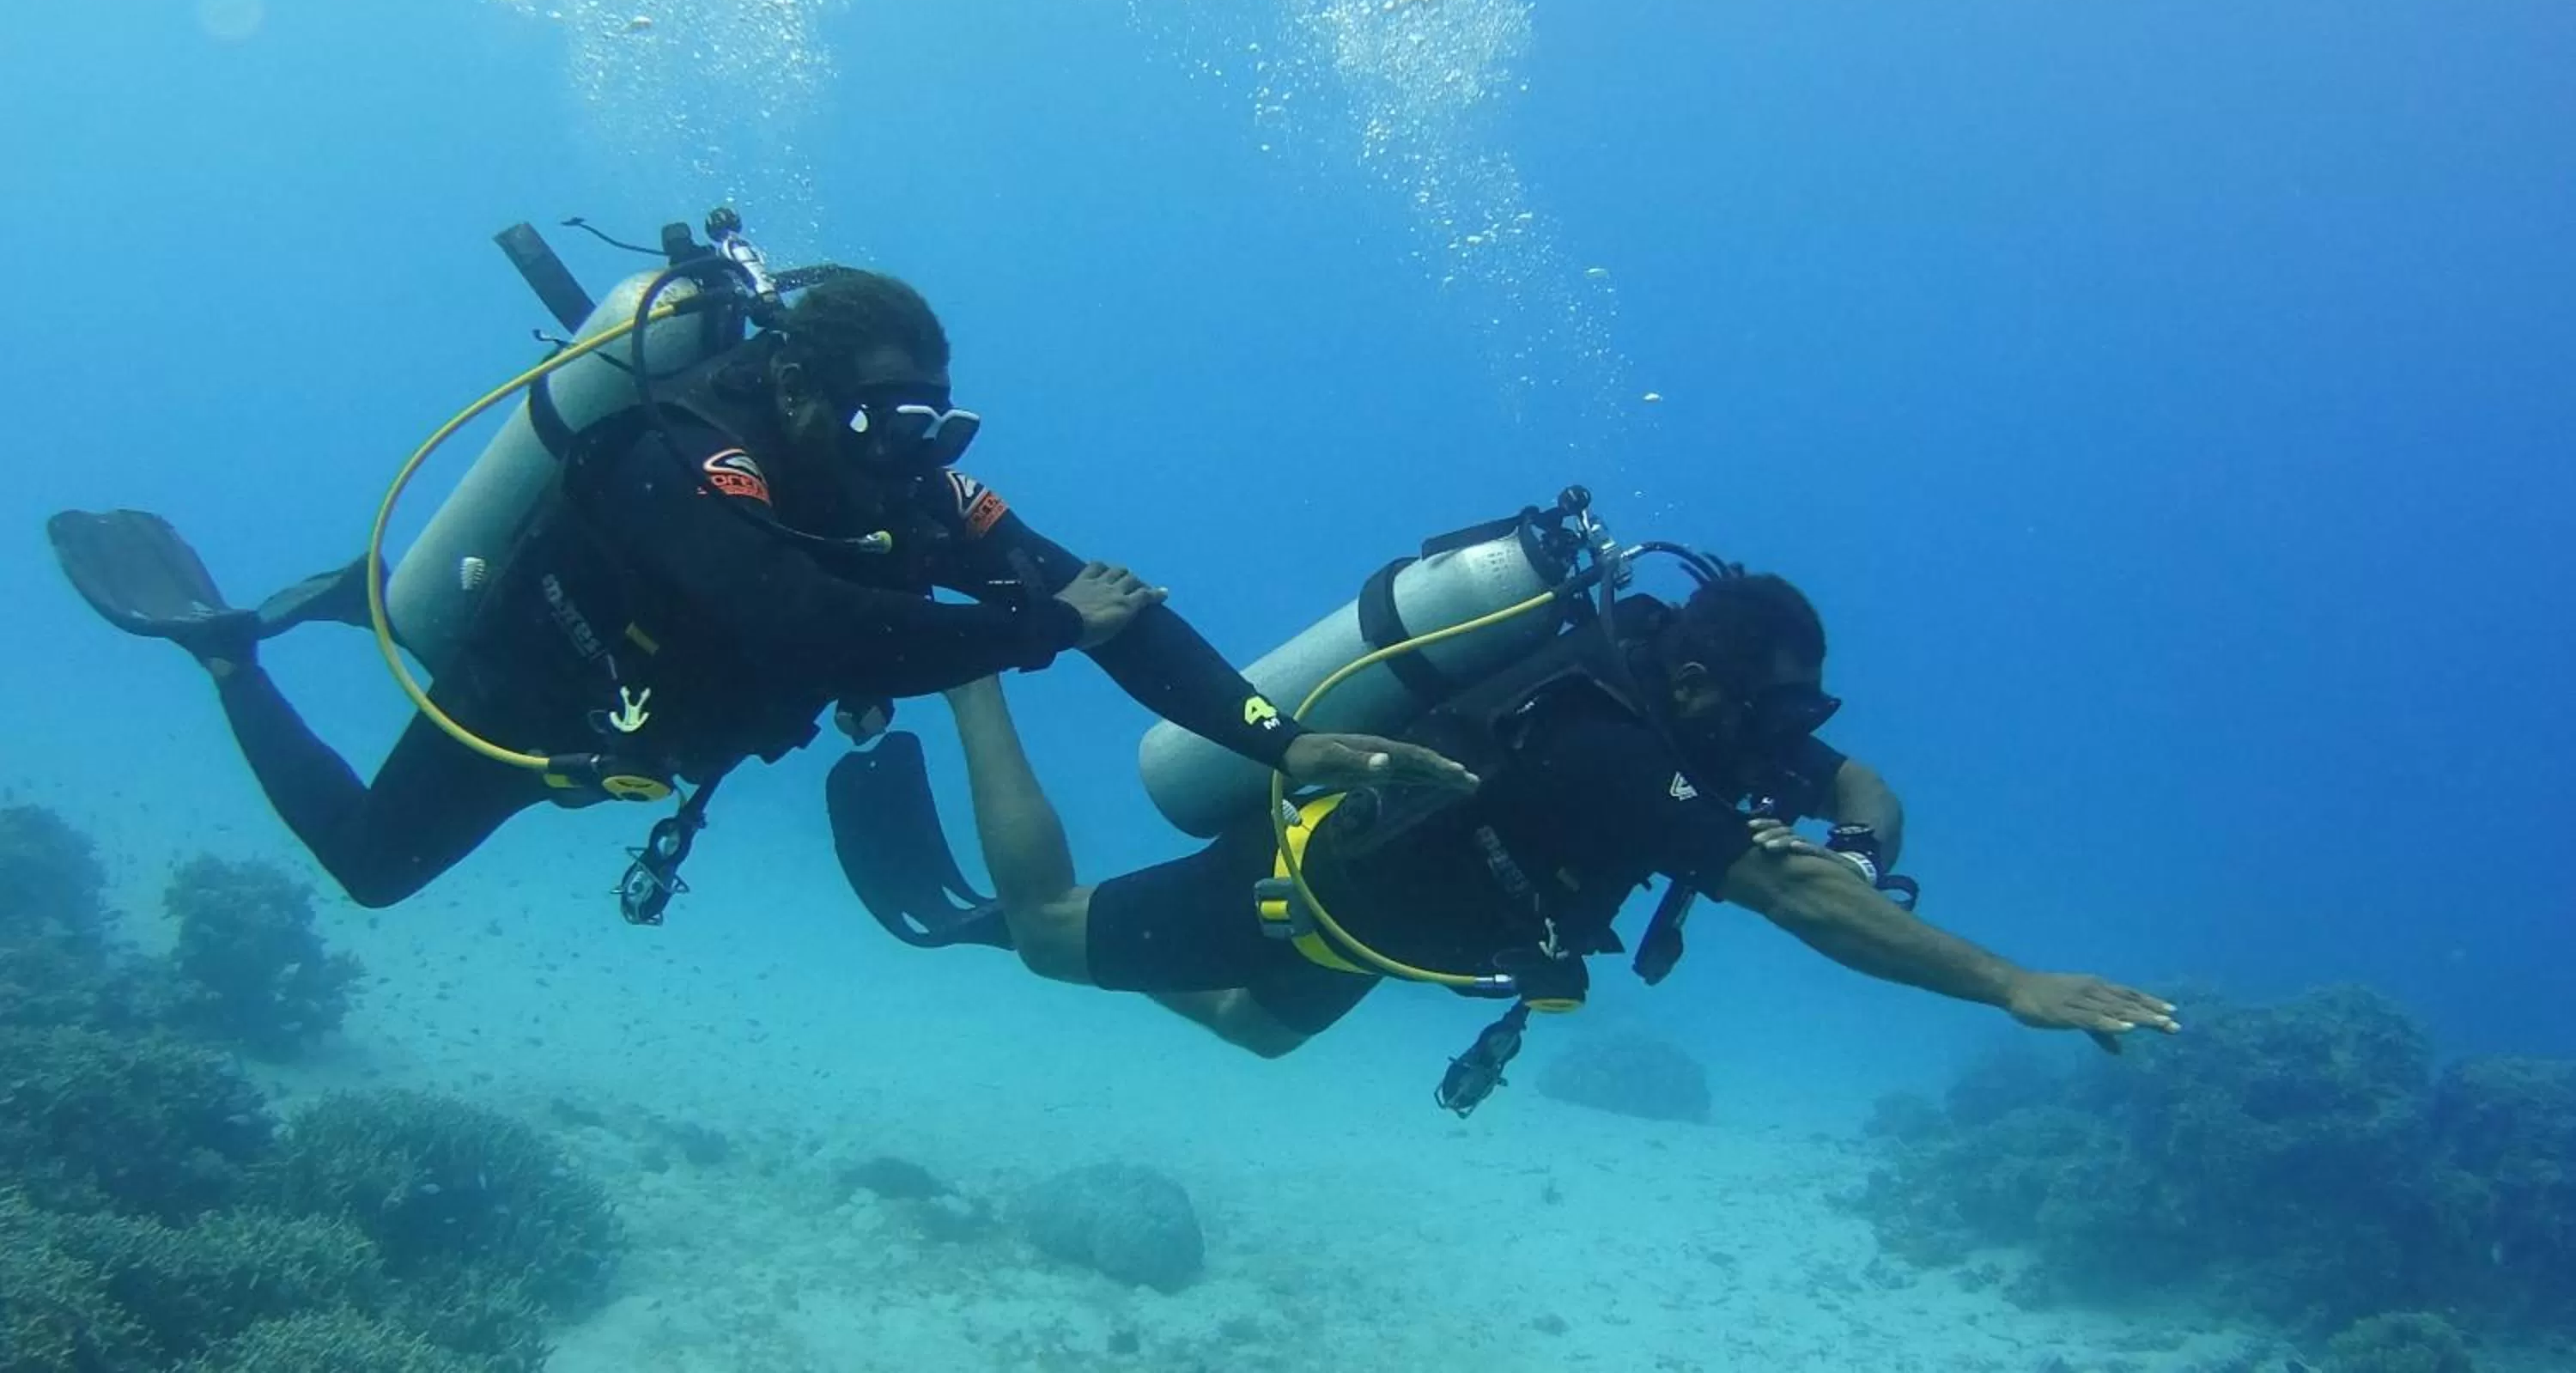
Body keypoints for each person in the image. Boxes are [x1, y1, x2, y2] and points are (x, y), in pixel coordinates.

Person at [48, 268, 1465, 913]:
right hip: (534, 682)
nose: (908, 450)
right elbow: (802, 622)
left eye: (932, 422)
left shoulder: (901, 478)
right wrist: (1039, 625)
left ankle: (325, 600)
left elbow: (1110, 603)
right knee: (370, 868)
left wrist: (1281, 740)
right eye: (882, 417)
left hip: (654, 729)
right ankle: (236, 654)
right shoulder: (680, 451)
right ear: (789, 382)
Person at [920, 562, 2178, 1080]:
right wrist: (2010, 982)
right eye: (1770, 716)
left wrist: (1855, 845)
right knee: (1041, 932)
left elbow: (1866, 794)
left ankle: (1149, 940)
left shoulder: (1708, 714)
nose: (1780, 748)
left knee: (1258, 1036)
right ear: (1697, 682)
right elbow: (1793, 902)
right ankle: (971, 671)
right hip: (1320, 885)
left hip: (1398, 921)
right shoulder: (1613, 745)